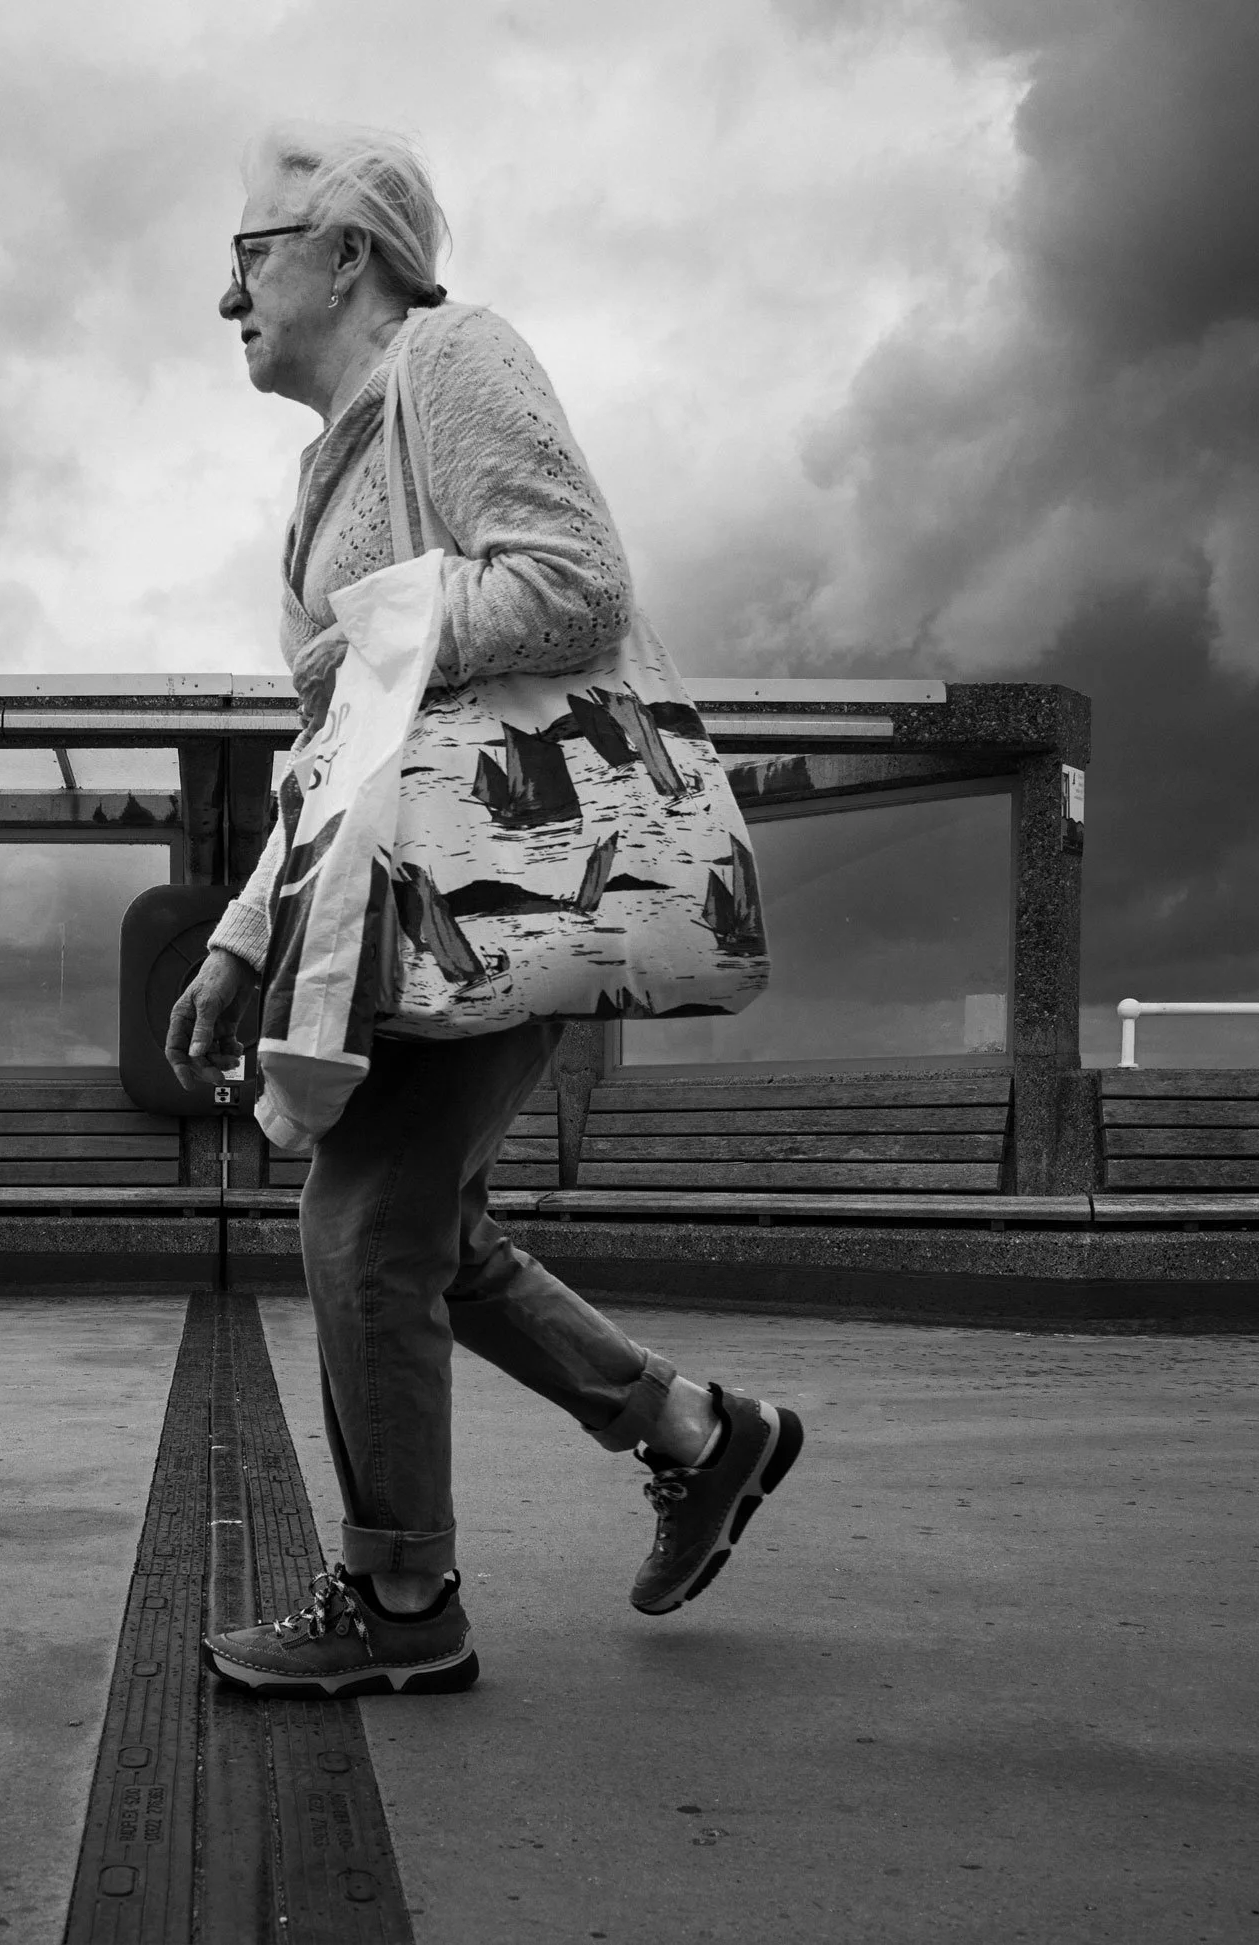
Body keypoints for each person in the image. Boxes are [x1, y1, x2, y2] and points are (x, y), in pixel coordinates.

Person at [168, 123, 806, 1699]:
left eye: (249, 255)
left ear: (351, 255)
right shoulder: (323, 483)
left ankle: (403, 1600)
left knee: (359, 1223)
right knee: (428, 1235)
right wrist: (245, 930)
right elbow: (339, 747)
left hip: (497, 886)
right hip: (395, 905)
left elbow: (574, 583)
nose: (226, 296)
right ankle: (695, 1431)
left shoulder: (452, 359)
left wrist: (372, 631)